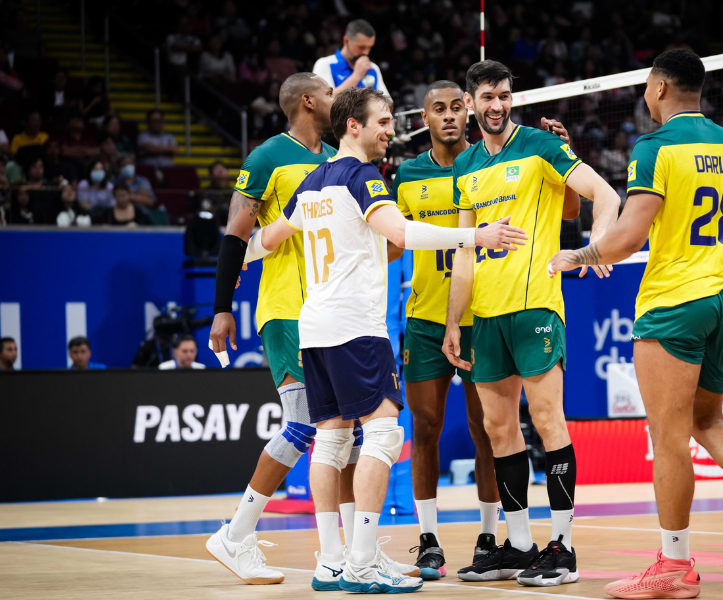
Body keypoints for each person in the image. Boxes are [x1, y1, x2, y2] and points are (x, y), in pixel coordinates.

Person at [549, 49, 723, 598]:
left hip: (675, 302)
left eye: (647, 87)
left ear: (661, 86)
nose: (646, 96)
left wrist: (574, 258)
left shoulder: (656, 146)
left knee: (667, 437)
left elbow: (627, 239)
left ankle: (674, 566)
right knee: (708, 420)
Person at [241, 86, 525, 593]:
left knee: (329, 440)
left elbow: (262, 242)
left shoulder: (311, 181)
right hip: (355, 326)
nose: (392, 130)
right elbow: (404, 235)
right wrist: (473, 236)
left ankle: (332, 561)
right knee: (384, 434)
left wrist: (232, 261)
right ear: (354, 126)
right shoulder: (361, 177)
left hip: (315, 325)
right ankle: (363, 560)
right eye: (384, 122)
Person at [394, 79, 580, 579]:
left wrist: (563, 159)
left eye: (459, 105)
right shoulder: (411, 175)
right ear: (425, 118)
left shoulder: (509, 156)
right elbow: (398, 241)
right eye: (442, 108)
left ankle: (502, 536)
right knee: (435, 427)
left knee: (499, 429)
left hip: (502, 309)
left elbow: (571, 207)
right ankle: (438, 538)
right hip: (432, 317)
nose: (452, 115)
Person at [445, 60, 621, 587]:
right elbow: (464, 251)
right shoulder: (465, 166)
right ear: (471, 103)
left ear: (510, 99)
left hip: (536, 305)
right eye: (486, 97)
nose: (496, 105)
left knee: (547, 421)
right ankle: (519, 545)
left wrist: (595, 249)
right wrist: (455, 320)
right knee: (499, 429)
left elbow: (606, 195)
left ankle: (562, 547)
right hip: (486, 315)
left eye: (503, 95)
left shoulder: (541, 147)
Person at [206, 73, 339, 586]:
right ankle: (236, 534)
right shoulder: (267, 157)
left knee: (340, 429)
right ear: (307, 101)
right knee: (303, 423)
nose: (335, 100)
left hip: (330, 310)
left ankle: (347, 548)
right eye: (329, 93)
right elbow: (236, 234)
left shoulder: (334, 157)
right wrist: (223, 308)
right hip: (286, 308)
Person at [312, 19, 389, 97]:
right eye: (361, 47)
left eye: (369, 47)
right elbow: (323, 101)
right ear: (346, 40)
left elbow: (388, 103)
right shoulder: (324, 64)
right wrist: (356, 76)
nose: (366, 52)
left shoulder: (373, 67)